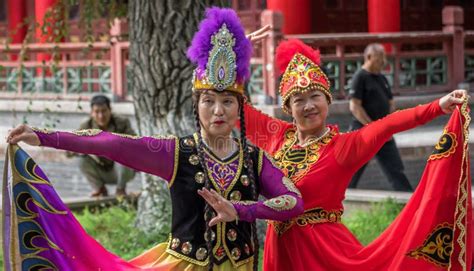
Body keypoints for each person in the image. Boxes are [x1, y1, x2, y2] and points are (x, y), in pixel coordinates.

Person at [4, 8, 303, 271]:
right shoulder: (175, 152)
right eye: (208, 100)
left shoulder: (254, 158)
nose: (217, 110)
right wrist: (43, 136)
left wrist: (240, 210)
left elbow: (293, 202)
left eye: (227, 101)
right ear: (195, 106)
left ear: (240, 106)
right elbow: (111, 143)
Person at [241, 39, 471, 270]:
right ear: (289, 108)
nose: (308, 105)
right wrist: (235, 57)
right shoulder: (276, 135)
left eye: (315, 97)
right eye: (299, 100)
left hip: (324, 253)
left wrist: (438, 106)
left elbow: (389, 124)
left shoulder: (344, 147)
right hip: (280, 248)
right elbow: (237, 108)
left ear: (327, 101)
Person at [348, 43, 412, 191]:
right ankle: (341, 200)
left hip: (383, 131)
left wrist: (388, 125)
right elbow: (354, 106)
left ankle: (408, 200)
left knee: (395, 169)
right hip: (364, 131)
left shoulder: (382, 77)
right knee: (353, 170)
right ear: (369, 57)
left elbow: (390, 102)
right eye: (379, 60)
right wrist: (373, 127)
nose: (382, 63)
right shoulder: (360, 77)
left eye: (384, 59)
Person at [73, 94, 137, 196]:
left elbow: (135, 144)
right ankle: (99, 188)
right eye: (97, 112)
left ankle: (121, 189)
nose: (101, 116)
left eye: (104, 111)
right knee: (80, 159)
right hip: (100, 170)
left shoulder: (122, 122)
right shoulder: (86, 126)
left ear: (110, 110)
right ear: (91, 113)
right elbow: (70, 150)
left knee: (125, 156)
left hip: (122, 170)